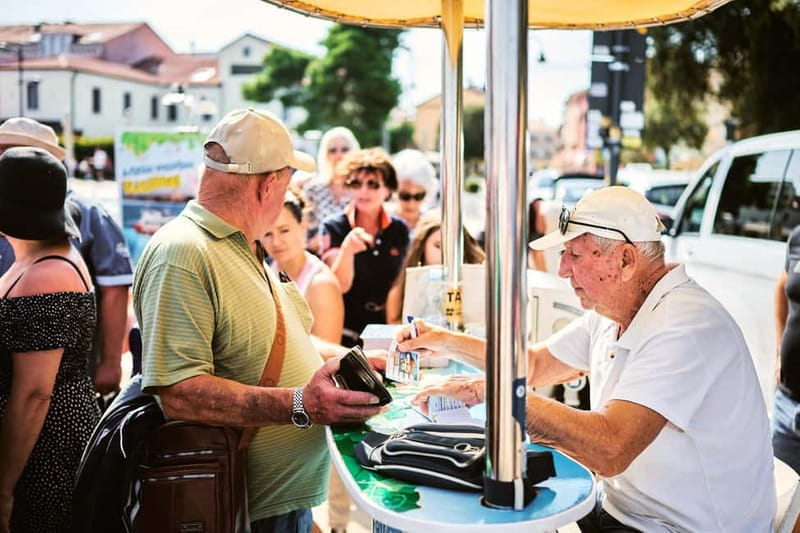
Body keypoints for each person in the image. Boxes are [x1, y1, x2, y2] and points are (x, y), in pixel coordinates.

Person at [396, 186, 776, 531]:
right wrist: (443, 340)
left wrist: (495, 395)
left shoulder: (686, 326)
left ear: (626, 261)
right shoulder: (615, 311)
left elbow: (609, 448)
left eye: (574, 254)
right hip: (622, 510)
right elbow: (536, 365)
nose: (562, 269)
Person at [132, 108, 383, 533]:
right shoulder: (183, 253)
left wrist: (358, 359)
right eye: (287, 181)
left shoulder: (238, 243)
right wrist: (303, 404)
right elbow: (178, 392)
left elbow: (279, 338)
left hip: (275, 504)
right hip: (240, 509)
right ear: (269, 185)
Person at [0, 147, 101, 532]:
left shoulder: (47, 274)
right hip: (40, 444)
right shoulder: (39, 257)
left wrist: (3, 489)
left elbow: (33, 394)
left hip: (43, 452)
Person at [0, 117, 133, 396]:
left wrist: (110, 362)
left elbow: (114, 287)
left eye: (10, 152)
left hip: (62, 377)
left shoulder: (87, 212)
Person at [321, 147, 409, 346]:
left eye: (373, 184)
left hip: (389, 332)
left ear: (388, 190)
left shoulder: (399, 229)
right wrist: (347, 250)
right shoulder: (334, 227)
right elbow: (338, 287)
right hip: (346, 334)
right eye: (356, 183)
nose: (363, 191)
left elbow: (402, 284)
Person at [261, 190, 344, 343]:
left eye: (284, 230)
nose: (276, 242)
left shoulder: (321, 284)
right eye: (267, 234)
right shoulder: (263, 271)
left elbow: (330, 357)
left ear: (303, 224)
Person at [385, 210, 485, 324]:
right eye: (438, 246)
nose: (445, 254)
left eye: (453, 246)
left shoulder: (478, 285)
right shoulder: (400, 292)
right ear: (422, 247)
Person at [301, 127, 360, 255]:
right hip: (321, 259)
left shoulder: (362, 188)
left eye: (345, 149)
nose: (339, 155)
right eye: (333, 150)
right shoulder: (313, 189)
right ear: (325, 155)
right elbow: (303, 230)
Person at [774, 224, 800, 475]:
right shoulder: (797, 237)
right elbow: (783, 287)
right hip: (786, 403)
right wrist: (780, 351)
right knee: (782, 497)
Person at [390, 149, 438, 233]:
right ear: (394, 191)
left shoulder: (433, 224)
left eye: (419, 196)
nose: (412, 203)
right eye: (405, 196)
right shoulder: (384, 222)